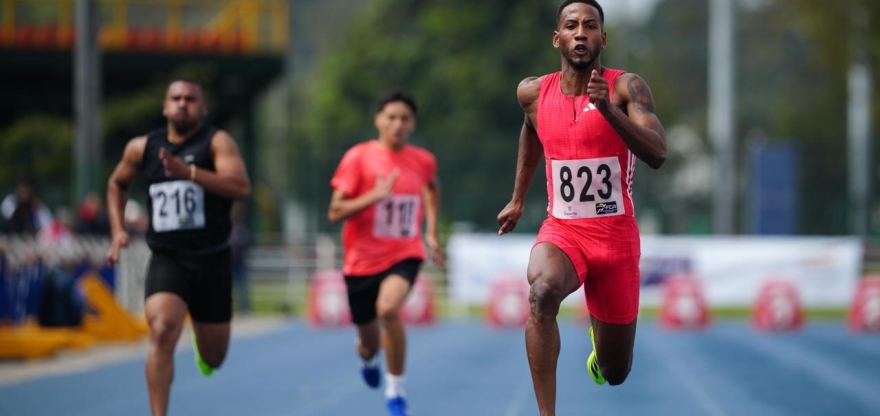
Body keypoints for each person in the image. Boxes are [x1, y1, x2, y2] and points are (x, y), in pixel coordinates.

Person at [496, 1, 667, 415]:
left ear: (602, 39)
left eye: (590, 26)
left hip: (615, 238)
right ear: (558, 38)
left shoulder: (627, 88)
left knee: (615, 371)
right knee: (541, 294)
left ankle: (600, 345)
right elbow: (531, 130)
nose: (580, 33)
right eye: (571, 26)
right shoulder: (533, 92)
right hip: (564, 230)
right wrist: (518, 198)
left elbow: (658, 153)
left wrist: (608, 110)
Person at [105, 79, 251, 416]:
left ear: (203, 108)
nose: (182, 104)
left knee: (215, 357)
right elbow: (116, 184)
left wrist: (190, 173)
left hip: (212, 259)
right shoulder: (142, 148)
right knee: (162, 330)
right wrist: (117, 230)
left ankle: (204, 347)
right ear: (165, 106)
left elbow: (241, 186)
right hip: (168, 258)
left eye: (190, 99)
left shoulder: (216, 142)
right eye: (176, 98)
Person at [327, 89, 444, 416]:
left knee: (388, 310)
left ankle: (396, 393)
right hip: (361, 263)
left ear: (413, 124)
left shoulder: (423, 160)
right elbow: (335, 212)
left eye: (405, 118)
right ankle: (367, 356)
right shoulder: (358, 158)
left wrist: (431, 233)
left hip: (404, 253)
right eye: (391, 117)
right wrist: (374, 196)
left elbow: (432, 188)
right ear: (378, 120)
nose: (397, 124)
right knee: (367, 340)